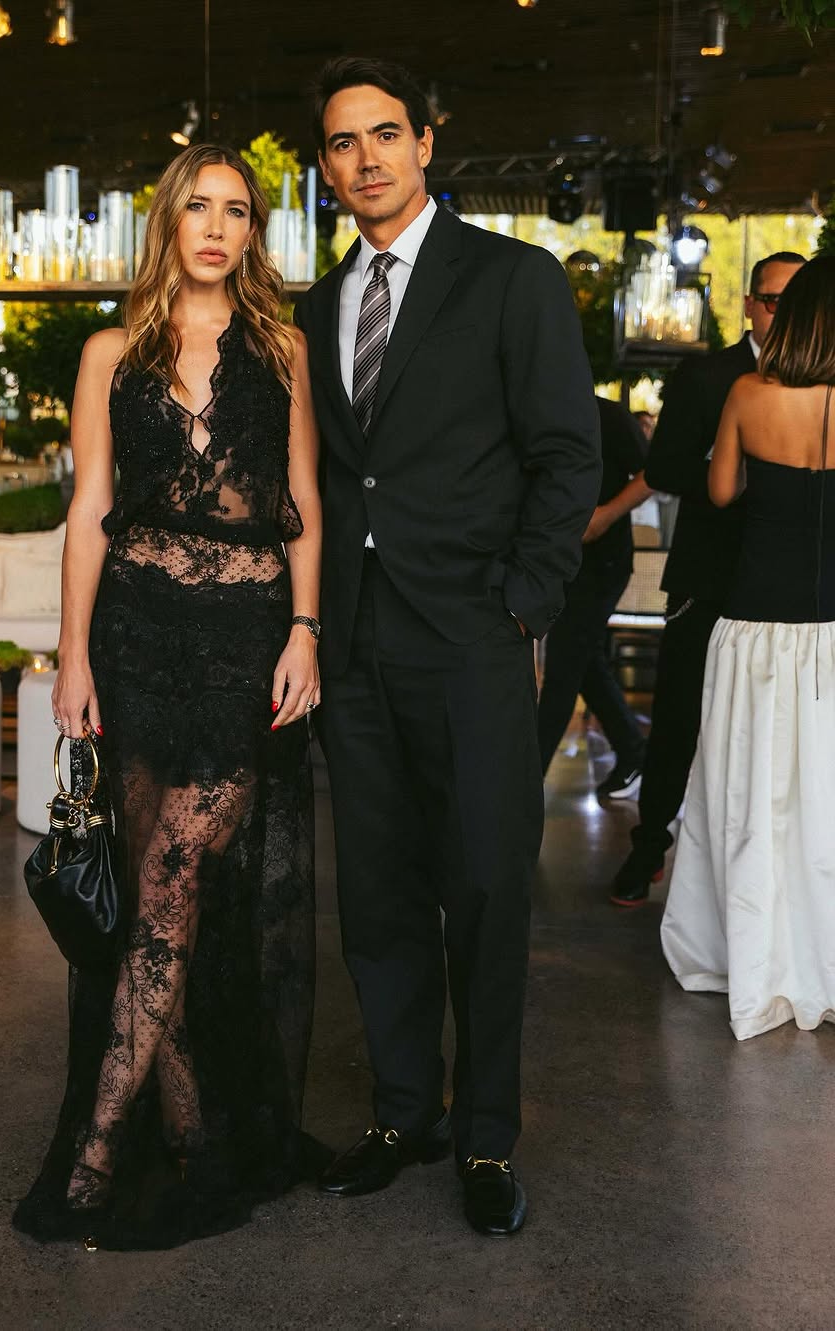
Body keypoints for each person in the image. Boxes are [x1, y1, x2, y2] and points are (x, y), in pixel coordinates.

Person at [295, 57, 600, 1235]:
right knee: (376, 893)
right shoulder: (319, 306)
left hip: (473, 634)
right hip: (356, 641)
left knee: (483, 891)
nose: (365, 158)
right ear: (325, 169)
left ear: (426, 142)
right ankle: (403, 1112)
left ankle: (484, 1136)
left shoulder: (513, 278)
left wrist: (525, 602)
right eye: (342, 142)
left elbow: (566, 454)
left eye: (385, 133)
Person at [12, 144, 324, 1250]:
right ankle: (193, 1133)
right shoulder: (111, 351)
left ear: (254, 231)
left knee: (177, 874)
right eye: (199, 206)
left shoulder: (282, 348)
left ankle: (97, 1142)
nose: (218, 227)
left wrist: (305, 631)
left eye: (237, 210)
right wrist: (72, 654)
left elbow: (303, 505)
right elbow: (91, 505)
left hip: (243, 641)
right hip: (136, 637)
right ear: (168, 222)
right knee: (158, 895)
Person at [660, 255, 835, 1040]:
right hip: (831, 629)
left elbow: (721, 490)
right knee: (824, 797)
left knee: (752, 793)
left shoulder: (748, 394)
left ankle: (755, 951)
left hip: (756, 625)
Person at [609, 251, 806, 906]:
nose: (784, 314)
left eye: (798, 302)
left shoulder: (823, 379)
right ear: (750, 304)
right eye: (774, 300)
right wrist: (747, 480)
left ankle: (765, 876)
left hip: (791, 583)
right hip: (709, 574)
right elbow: (665, 467)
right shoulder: (709, 374)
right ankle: (649, 845)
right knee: (679, 716)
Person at [537, 395, 653, 796]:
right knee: (582, 661)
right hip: (558, 561)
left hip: (603, 562)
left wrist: (605, 516)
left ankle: (525, 783)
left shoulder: (609, 415)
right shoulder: (537, 411)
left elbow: (653, 474)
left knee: (563, 668)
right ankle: (633, 751)